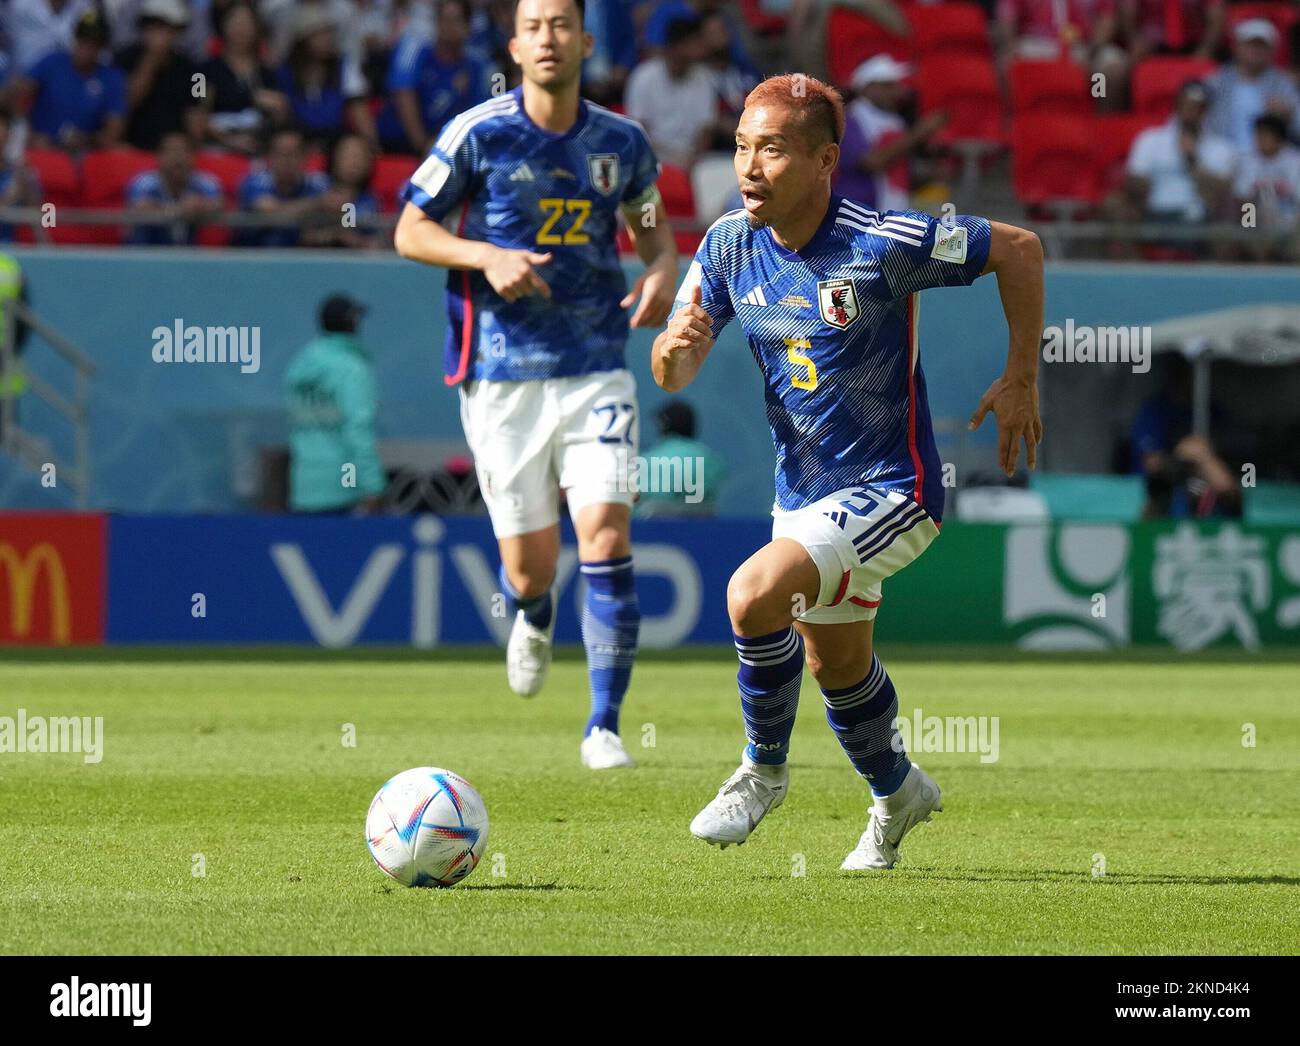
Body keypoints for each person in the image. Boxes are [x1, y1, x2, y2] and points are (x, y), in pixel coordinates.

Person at [653, 74, 1043, 868]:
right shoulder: (729, 243)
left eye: (772, 149)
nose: (749, 167)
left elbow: (1019, 248)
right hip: (801, 494)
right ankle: (899, 796)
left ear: (826, 159)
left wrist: (1022, 376)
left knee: (752, 596)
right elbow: (671, 372)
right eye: (740, 147)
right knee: (838, 666)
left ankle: (761, 774)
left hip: (894, 489)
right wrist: (677, 347)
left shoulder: (883, 241)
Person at [394, 0, 679, 770]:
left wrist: (660, 272)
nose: (549, 37)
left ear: (587, 41)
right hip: (502, 378)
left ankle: (603, 725)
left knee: (608, 537)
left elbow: (655, 236)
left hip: (597, 370)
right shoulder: (477, 133)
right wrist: (485, 256)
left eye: (563, 24)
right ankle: (531, 609)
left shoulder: (622, 142)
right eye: (535, 26)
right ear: (516, 45)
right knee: (531, 565)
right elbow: (409, 229)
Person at [285, 293, 385, 515]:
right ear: (352, 322)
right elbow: (357, 430)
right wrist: (372, 486)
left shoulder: (299, 365)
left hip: (304, 484)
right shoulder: (351, 369)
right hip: (344, 479)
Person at [378, 0, 491, 155]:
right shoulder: (417, 52)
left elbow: (479, 113)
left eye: (455, 20)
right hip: (402, 144)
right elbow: (404, 95)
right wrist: (423, 146)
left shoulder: (475, 65)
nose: (448, 27)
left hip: (449, 147)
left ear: (468, 26)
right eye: (443, 19)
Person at [836, 54, 945, 214]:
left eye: (896, 85)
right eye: (888, 86)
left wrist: (931, 175)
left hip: (893, 219)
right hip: (858, 216)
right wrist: (919, 133)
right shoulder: (849, 118)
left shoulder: (895, 121)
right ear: (867, 87)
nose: (896, 91)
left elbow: (897, 177)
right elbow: (872, 161)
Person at [13, 9, 125, 151]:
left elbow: (114, 128)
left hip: (83, 155)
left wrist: (86, 140)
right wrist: (27, 133)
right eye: (82, 42)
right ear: (75, 40)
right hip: (39, 148)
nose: (85, 51)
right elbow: (20, 93)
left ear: (101, 48)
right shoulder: (53, 61)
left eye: (92, 46)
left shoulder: (111, 78)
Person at [624, 15, 720, 170]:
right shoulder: (643, 76)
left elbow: (706, 129)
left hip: (693, 158)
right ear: (678, 46)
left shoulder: (705, 77)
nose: (703, 46)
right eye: (695, 41)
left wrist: (693, 161)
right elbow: (639, 130)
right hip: (654, 155)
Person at [115, 0, 205, 150]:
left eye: (165, 27)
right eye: (152, 27)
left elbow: (198, 109)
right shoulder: (124, 59)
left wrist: (193, 140)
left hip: (175, 151)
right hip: (133, 148)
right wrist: (150, 60)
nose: (158, 34)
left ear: (176, 32)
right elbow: (124, 105)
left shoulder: (194, 70)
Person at [1206, 19, 1300, 155]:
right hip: (1224, 153)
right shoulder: (1216, 81)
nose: (1255, 50)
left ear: (1272, 50)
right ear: (1236, 47)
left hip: (1268, 157)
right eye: (1250, 44)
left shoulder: (1283, 84)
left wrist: (1290, 116)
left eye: (1261, 46)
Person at [235, 125, 331, 247]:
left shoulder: (320, 183)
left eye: (293, 154)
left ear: (305, 157)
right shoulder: (253, 182)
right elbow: (274, 213)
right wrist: (316, 203)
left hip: (304, 257)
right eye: (281, 154)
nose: (287, 161)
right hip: (256, 255)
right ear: (270, 156)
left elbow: (340, 206)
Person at [125, 129, 224, 245]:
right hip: (146, 253)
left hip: (189, 255)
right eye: (171, 151)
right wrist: (177, 210)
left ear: (193, 157)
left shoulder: (205, 182)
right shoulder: (144, 182)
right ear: (159, 156)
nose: (177, 158)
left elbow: (219, 203)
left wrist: (202, 205)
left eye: (184, 152)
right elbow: (140, 206)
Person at [636, 399, 726, 516]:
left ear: (663, 425)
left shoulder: (647, 461)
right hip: (702, 531)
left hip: (653, 531)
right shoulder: (712, 460)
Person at [1234, 113, 1300, 261]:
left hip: (1291, 224)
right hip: (1259, 226)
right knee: (1251, 240)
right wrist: (1250, 227)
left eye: (1265, 136)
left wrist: (1290, 227)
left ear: (1279, 138)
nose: (1259, 140)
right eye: (1258, 135)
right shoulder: (1248, 162)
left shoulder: (1295, 161)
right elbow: (1243, 200)